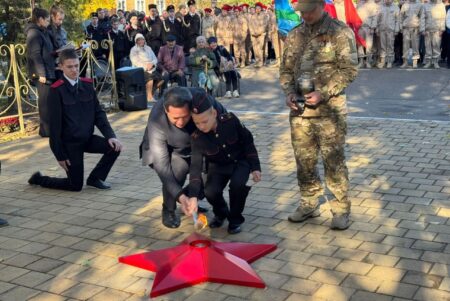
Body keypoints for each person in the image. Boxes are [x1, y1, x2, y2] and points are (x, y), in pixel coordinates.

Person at [279, 0, 358, 230]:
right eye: (301, 12)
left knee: (333, 162)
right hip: (300, 113)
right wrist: (289, 92)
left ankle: (341, 209)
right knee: (304, 161)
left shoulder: (339, 32)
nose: (304, 16)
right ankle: (309, 203)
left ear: (320, 6)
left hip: (329, 113)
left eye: (308, 11)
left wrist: (323, 93)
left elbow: (349, 70)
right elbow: (285, 70)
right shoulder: (295, 35)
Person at [28, 48, 122, 191]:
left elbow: (99, 114)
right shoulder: (56, 90)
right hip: (70, 145)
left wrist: (110, 136)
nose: (74, 70)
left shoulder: (87, 85)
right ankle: (39, 179)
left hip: (87, 139)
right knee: (75, 185)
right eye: (69, 67)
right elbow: (54, 127)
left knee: (114, 148)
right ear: (61, 67)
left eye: (76, 66)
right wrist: (59, 155)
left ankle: (95, 178)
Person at [140, 87, 226, 228]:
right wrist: (180, 196)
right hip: (172, 150)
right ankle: (168, 208)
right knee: (177, 170)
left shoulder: (204, 103)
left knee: (211, 174)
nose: (181, 122)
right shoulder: (157, 118)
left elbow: (225, 126)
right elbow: (163, 167)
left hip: (199, 146)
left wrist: (190, 196)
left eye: (185, 116)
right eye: (175, 118)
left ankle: (191, 201)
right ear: (166, 110)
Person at [186, 95, 261, 234]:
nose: (201, 126)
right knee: (210, 192)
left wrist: (255, 167)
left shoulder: (230, 121)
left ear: (214, 113)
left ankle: (235, 219)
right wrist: (193, 196)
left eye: (204, 121)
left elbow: (248, 142)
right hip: (218, 165)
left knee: (237, 186)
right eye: (197, 123)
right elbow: (195, 167)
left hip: (240, 162)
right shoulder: (197, 138)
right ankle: (221, 213)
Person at [26, 7, 56, 138]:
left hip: (48, 70)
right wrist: (41, 73)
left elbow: (47, 51)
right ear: (40, 19)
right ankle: (46, 130)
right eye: (47, 20)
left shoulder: (43, 31)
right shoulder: (34, 33)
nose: (49, 22)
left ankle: (46, 129)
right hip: (41, 73)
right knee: (44, 102)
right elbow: (36, 55)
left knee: (48, 100)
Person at [130, 33, 162, 102]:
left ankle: (149, 93)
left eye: (142, 40)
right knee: (150, 78)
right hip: (139, 70)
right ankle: (149, 97)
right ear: (136, 41)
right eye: (139, 40)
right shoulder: (133, 50)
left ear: (144, 40)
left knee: (161, 79)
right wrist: (146, 66)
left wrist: (152, 64)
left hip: (151, 67)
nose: (141, 41)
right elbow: (135, 62)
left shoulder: (148, 48)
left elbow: (155, 58)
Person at [420, 0, 446, 68]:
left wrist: (442, 29)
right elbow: (422, 18)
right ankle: (428, 62)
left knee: (436, 46)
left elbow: (443, 18)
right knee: (427, 47)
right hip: (427, 30)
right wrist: (422, 29)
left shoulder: (441, 5)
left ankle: (436, 62)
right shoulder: (425, 5)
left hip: (437, 30)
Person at [376, 0, 400, 68]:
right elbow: (377, 19)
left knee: (390, 46)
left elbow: (397, 20)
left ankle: (389, 61)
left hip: (391, 30)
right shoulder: (380, 7)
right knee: (382, 46)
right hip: (382, 29)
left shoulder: (396, 8)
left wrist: (396, 30)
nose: (387, 0)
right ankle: (383, 61)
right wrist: (377, 29)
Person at [400, 0, 423, 68]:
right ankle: (405, 62)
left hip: (415, 28)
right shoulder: (405, 5)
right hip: (406, 28)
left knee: (415, 46)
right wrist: (401, 28)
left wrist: (421, 28)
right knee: (405, 46)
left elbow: (422, 17)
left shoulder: (420, 5)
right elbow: (401, 17)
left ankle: (415, 62)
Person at [357, 0, 379, 68]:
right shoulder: (359, 3)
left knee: (369, 45)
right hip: (360, 27)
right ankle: (361, 61)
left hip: (368, 28)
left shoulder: (373, 5)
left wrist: (373, 27)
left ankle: (368, 62)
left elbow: (375, 17)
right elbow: (355, 14)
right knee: (360, 45)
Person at [249, 2, 269, 67]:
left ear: (261, 8)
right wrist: (252, 32)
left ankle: (261, 62)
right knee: (255, 49)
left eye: (259, 8)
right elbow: (250, 25)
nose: (257, 9)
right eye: (256, 8)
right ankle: (257, 61)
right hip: (253, 35)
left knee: (260, 48)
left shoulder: (264, 15)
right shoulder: (252, 16)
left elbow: (265, 25)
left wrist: (258, 32)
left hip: (261, 35)